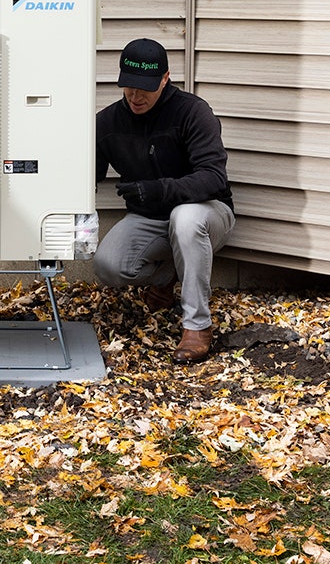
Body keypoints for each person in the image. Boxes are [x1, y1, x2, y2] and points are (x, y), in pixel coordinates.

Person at [93, 38, 235, 364]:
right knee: (108, 265)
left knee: (185, 219)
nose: (136, 96)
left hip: (207, 212)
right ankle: (168, 274)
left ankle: (197, 326)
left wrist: (160, 189)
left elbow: (214, 178)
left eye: (145, 88)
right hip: (151, 218)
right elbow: (90, 175)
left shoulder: (192, 112)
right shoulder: (108, 122)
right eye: (129, 86)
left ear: (166, 78)